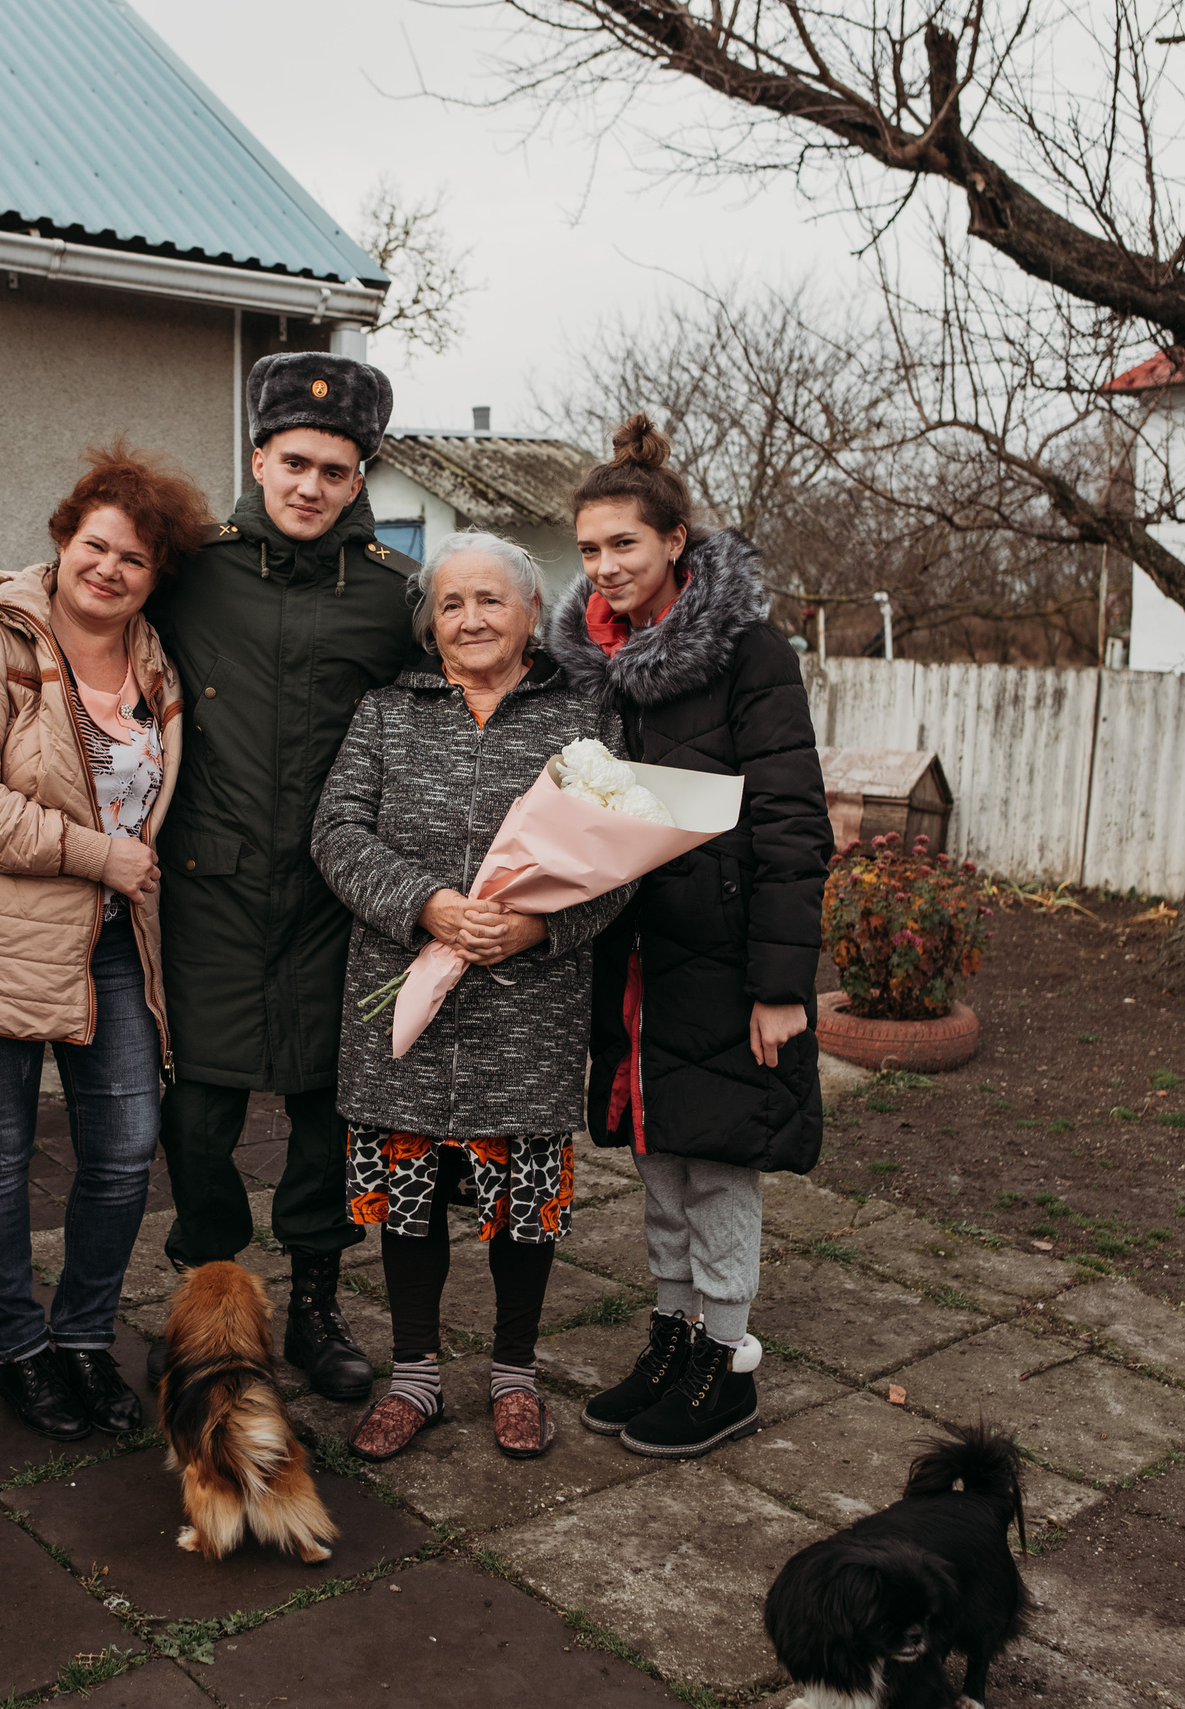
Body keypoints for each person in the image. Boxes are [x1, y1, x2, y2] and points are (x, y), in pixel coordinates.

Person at [541, 414, 835, 1459]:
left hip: (721, 957)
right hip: (630, 959)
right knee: (659, 1156)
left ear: (674, 539)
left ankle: (725, 1356)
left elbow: (793, 817)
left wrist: (778, 983)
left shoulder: (748, 654)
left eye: (624, 543)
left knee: (718, 1164)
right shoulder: (584, 668)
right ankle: (670, 1334)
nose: (605, 566)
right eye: (587, 549)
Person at [310, 533, 633, 1462]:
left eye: (491, 599)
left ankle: (513, 1373)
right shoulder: (387, 713)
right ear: (430, 622)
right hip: (403, 990)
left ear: (533, 613)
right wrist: (428, 906)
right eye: (451, 604)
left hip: (527, 1004)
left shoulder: (581, 721)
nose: (471, 618)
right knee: (407, 1197)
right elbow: (336, 831)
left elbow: (620, 862)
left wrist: (541, 929)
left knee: (523, 1200)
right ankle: (414, 1376)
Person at [143, 352, 421, 1401]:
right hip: (206, 892)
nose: (310, 486)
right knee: (199, 1118)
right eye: (293, 461)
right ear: (257, 457)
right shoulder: (189, 572)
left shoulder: (397, 601)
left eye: (336, 470)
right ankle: (213, 1307)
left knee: (325, 1117)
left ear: (362, 480)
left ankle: (313, 1302)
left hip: (330, 906)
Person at [0, 447, 203, 1440]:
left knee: (123, 1149)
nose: (109, 568)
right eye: (95, 544)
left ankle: (81, 1338)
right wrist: (97, 855)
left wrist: (115, 877)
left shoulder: (158, 662)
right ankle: (18, 1351)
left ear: (155, 576)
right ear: (63, 540)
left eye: (134, 558)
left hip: (114, 941)